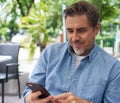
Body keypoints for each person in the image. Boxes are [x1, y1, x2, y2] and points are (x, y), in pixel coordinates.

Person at [23, 1, 120, 103]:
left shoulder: (114, 68)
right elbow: (28, 92)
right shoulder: (49, 53)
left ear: (96, 29)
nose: (74, 38)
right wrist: (31, 99)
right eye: (70, 31)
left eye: (81, 30)